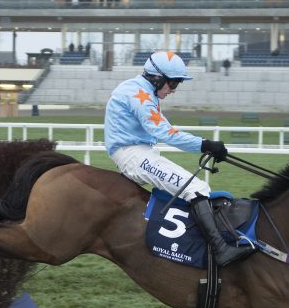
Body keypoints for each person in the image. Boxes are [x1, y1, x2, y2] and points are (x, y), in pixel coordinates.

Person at [104, 51, 251, 267]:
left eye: (177, 84)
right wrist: (205, 145)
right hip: (133, 155)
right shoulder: (139, 95)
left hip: (139, 151)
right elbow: (165, 133)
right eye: (173, 84)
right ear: (157, 78)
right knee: (197, 189)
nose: (174, 90)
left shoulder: (139, 89)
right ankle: (220, 250)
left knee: (193, 189)